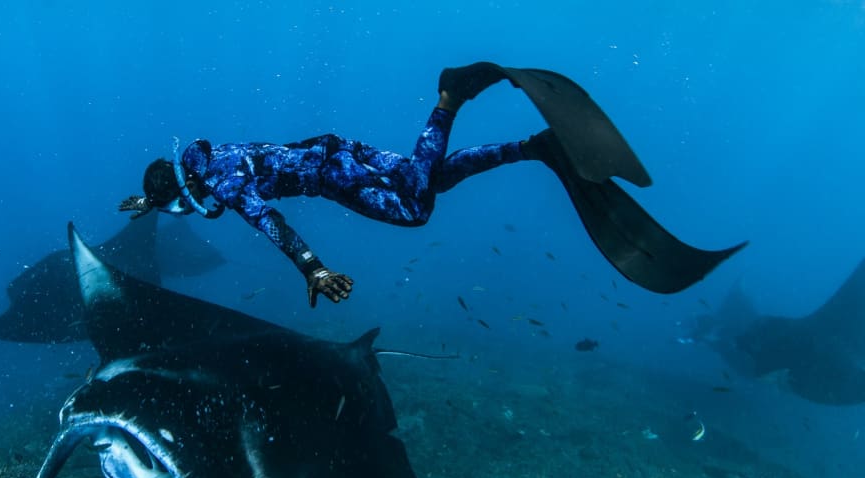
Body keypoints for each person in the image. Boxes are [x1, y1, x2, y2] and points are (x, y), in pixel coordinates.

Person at [120, 62, 745, 306]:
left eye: (177, 204)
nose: (186, 211)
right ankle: (533, 147)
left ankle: (448, 98)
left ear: (187, 186)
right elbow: (181, 192)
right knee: (429, 180)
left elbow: (269, 221)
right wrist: (151, 202)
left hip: (331, 174)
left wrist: (311, 268)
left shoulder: (223, 185)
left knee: (416, 209)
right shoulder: (205, 163)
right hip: (335, 148)